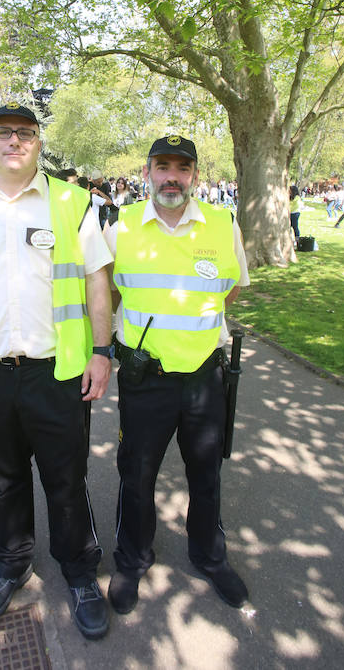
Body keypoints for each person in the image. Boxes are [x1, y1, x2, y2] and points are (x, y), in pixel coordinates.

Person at [0, 103, 113, 640]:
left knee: (66, 479)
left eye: (25, 133)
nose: (14, 141)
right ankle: (10, 565)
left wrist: (101, 352)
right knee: (5, 479)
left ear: (38, 142)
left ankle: (79, 573)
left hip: (54, 373)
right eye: (3, 133)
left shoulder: (72, 204)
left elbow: (97, 280)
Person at [103, 134, 250, 615]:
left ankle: (209, 556)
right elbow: (106, 296)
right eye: (162, 166)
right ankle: (131, 561)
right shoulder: (121, 228)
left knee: (206, 473)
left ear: (195, 176)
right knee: (136, 474)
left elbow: (229, 290)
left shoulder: (223, 224)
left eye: (182, 168)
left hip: (204, 377)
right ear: (146, 172)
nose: (172, 176)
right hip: (146, 379)